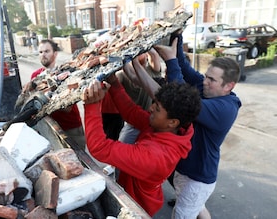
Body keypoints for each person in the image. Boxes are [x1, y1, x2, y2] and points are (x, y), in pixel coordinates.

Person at [81, 74, 201, 216]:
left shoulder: (155, 156)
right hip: (133, 190)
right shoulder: (167, 128)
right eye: (154, 103)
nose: (150, 108)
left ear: (173, 122)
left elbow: (99, 147)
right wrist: (114, 83)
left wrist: (92, 105)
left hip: (137, 206)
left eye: (157, 109)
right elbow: (131, 113)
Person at [151, 33, 242, 218]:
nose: (205, 82)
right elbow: (183, 67)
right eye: (206, 76)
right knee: (197, 207)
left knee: (183, 214)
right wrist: (177, 35)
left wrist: (170, 60)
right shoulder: (208, 89)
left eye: (212, 80)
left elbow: (181, 98)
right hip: (188, 170)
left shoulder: (225, 109)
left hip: (197, 177)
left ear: (229, 86)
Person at [23, 39, 86, 149]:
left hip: (70, 128)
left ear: (55, 54)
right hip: (49, 128)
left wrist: (46, 98)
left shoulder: (67, 72)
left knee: (78, 162)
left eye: (47, 51)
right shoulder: (35, 76)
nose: (43, 55)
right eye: (41, 52)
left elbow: (67, 108)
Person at [117, 48, 163, 144]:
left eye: (143, 52)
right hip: (134, 122)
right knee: (122, 146)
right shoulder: (124, 74)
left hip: (154, 120)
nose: (140, 54)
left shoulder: (152, 71)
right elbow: (130, 73)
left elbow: (154, 54)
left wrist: (140, 45)